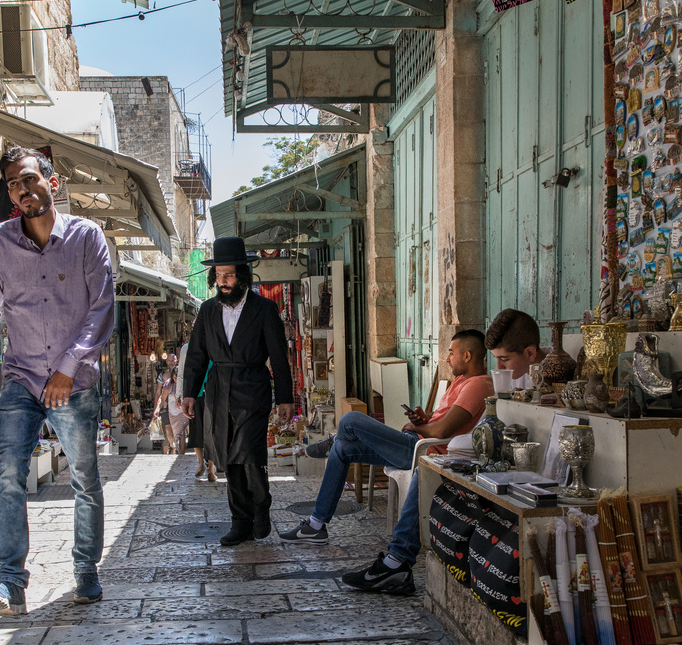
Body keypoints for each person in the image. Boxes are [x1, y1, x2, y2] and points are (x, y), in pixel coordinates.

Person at [0, 146, 114, 616]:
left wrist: (69, 367)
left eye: (29, 179)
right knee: (8, 475)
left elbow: (102, 309)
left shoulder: (87, 236)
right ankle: (10, 582)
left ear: (53, 182)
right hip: (21, 377)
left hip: (76, 382)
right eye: (13, 184)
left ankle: (86, 570)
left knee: (85, 479)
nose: (22, 190)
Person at [280, 330, 494, 597]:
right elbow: (440, 421)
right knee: (343, 449)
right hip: (416, 441)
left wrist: (421, 428)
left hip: (421, 450)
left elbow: (442, 432)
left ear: (467, 355)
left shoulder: (479, 384)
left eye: (451, 352)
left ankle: (334, 439)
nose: (448, 358)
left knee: (350, 421)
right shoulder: (461, 380)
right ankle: (315, 525)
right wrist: (422, 419)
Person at [182, 236, 294, 546]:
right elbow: (196, 356)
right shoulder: (206, 311)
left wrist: (286, 397)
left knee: (249, 453)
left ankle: (260, 509)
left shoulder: (264, 309)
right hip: (218, 391)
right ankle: (240, 521)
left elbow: (279, 356)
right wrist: (189, 391)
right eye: (218, 275)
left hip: (253, 388)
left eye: (229, 275)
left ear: (242, 275)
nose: (223, 282)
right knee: (229, 458)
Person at [176, 340, 216, 481]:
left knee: (205, 429)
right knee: (201, 429)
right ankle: (204, 465)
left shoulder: (214, 343)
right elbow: (181, 372)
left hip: (207, 393)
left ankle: (207, 465)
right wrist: (179, 394)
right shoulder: (188, 348)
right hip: (199, 394)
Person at [484, 308, 547, 387]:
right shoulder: (516, 374)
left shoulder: (560, 372)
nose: (499, 367)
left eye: (504, 359)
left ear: (530, 353)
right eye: (495, 358)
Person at [154, 352, 189, 454]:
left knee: (181, 432)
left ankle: (181, 454)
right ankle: (173, 447)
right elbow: (161, 396)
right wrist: (157, 408)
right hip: (170, 411)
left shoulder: (185, 383)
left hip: (181, 411)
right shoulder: (168, 383)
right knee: (169, 430)